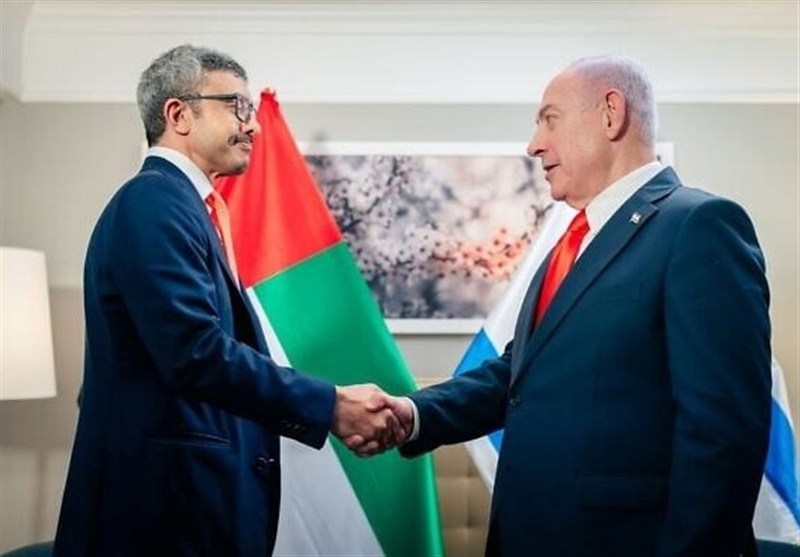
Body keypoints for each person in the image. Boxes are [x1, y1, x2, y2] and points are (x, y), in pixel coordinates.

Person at [367, 56, 773, 556]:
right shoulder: (574, 242)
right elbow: (519, 374)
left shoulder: (700, 225)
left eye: (549, 119)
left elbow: (723, 432)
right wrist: (413, 413)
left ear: (610, 114)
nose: (534, 144)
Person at [53, 44, 399, 557]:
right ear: (178, 115)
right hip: (159, 519)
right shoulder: (153, 203)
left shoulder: (187, 207)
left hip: (185, 509)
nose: (252, 125)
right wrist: (329, 405)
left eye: (251, 110)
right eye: (237, 106)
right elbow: (195, 352)